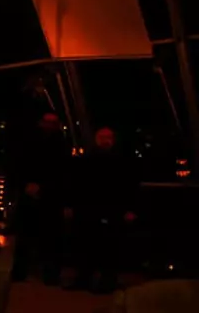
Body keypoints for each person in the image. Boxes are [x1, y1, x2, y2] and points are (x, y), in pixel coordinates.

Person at [71, 126, 137, 293]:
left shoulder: (122, 160)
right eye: (102, 137)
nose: (105, 140)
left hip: (112, 209)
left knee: (109, 248)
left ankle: (105, 283)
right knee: (88, 246)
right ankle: (85, 280)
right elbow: (79, 185)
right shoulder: (88, 159)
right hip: (91, 208)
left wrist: (130, 209)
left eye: (107, 137)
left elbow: (131, 186)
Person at [9, 111, 70, 284]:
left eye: (52, 122)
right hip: (36, 195)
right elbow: (18, 167)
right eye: (47, 122)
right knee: (26, 237)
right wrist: (26, 185)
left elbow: (63, 173)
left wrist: (38, 187)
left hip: (50, 197)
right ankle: (23, 271)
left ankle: (48, 274)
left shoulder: (61, 145)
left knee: (50, 239)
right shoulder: (30, 143)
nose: (49, 126)